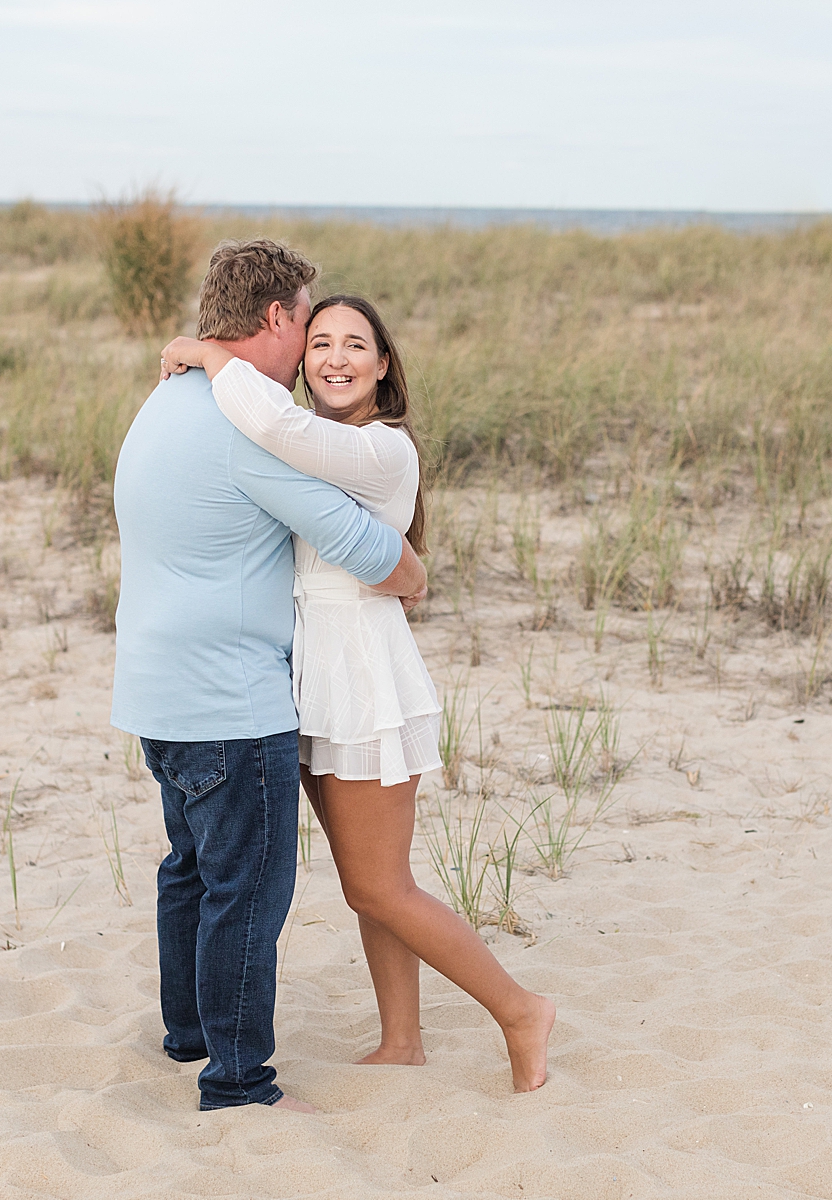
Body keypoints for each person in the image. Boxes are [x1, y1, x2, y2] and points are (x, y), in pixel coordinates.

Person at [159, 294, 554, 1093]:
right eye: (322, 344)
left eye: (355, 346)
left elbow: (276, 426)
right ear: (302, 360)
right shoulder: (325, 448)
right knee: (372, 878)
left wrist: (211, 356)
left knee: (378, 884)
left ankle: (520, 1010)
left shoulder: (381, 447)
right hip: (310, 679)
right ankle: (402, 1039)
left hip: (364, 679)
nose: (335, 358)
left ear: (383, 365)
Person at [112, 240, 428, 1114]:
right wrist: (412, 575)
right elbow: (369, 547)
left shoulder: (163, 402)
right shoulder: (238, 426)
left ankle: (192, 1035)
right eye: (308, 328)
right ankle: (238, 1079)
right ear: (279, 320)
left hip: (155, 689)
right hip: (230, 700)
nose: (313, 357)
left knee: (192, 870)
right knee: (247, 890)